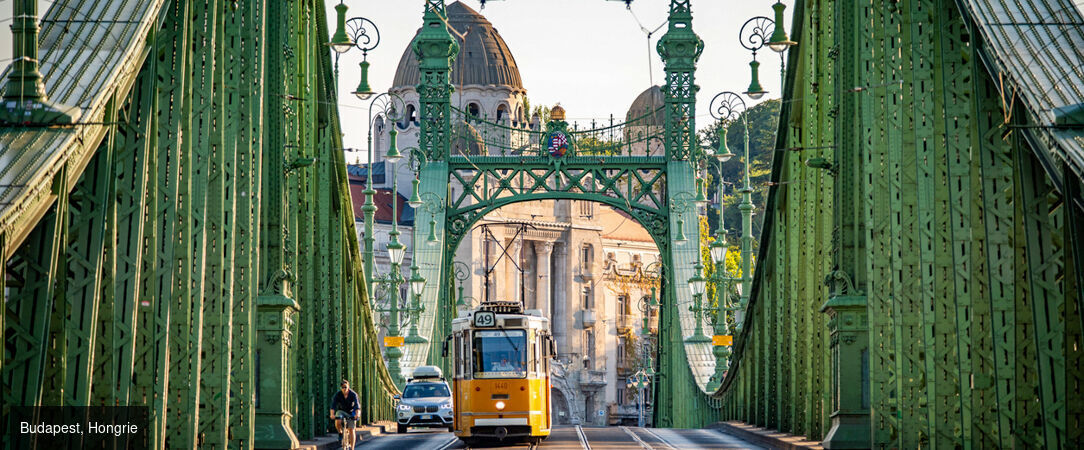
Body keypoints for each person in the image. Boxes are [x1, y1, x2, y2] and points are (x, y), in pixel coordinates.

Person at [330, 380, 361, 449]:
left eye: (345, 387)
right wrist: (332, 414)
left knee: (351, 430)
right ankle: (340, 433)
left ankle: (352, 448)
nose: (344, 389)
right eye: (342, 387)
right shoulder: (338, 394)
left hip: (351, 412)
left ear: (348, 387)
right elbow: (333, 405)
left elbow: (357, 406)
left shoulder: (353, 394)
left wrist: (357, 414)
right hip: (342, 411)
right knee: (338, 419)